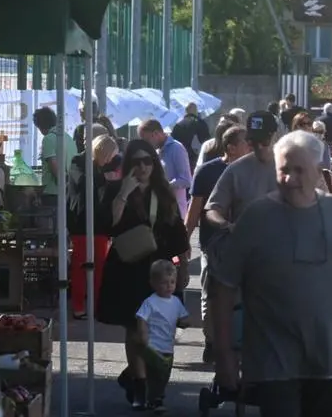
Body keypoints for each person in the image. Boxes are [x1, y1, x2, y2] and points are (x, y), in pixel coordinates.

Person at [211, 131, 332, 417]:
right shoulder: (256, 217)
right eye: (284, 170)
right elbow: (222, 287)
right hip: (275, 359)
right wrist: (224, 356)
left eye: (299, 170)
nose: (290, 178)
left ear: (317, 171)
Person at [97, 139, 189, 410]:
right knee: (136, 328)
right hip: (128, 267)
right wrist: (123, 192)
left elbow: (178, 234)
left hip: (159, 268)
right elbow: (108, 226)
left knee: (160, 331)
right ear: (128, 165)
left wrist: (182, 266)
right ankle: (140, 387)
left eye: (147, 160)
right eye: (136, 161)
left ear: (154, 163)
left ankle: (142, 380)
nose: (142, 166)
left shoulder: (164, 192)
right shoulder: (116, 188)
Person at [185, 126, 250, 364]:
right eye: (246, 143)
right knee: (210, 295)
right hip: (213, 246)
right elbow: (195, 211)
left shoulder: (256, 171)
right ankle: (212, 339)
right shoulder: (207, 171)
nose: (251, 146)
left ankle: (237, 344)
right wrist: (184, 241)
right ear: (231, 148)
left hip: (246, 249)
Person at [67, 127, 114, 320]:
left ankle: (97, 305)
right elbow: (81, 182)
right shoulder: (78, 161)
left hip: (101, 222)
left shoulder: (107, 163)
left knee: (100, 266)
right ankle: (79, 306)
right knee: (80, 265)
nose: (86, 141)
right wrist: (104, 177)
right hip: (81, 221)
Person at [204, 110, 279, 230]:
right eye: (253, 142)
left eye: (264, 141)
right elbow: (213, 209)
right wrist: (226, 225)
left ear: (275, 135)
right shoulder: (236, 170)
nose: (259, 146)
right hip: (248, 244)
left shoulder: (294, 166)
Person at [135, 259, 190, 413]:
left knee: (165, 374)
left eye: (172, 282)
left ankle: (154, 395)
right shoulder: (150, 302)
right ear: (153, 283)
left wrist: (185, 321)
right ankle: (156, 399)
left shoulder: (176, 302)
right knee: (155, 375)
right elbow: (141, 318)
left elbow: (182, 317)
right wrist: (143, 334)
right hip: (153, 345)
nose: (169, 286)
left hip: (168, 346)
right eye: (164, 283)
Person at [137, 119, 192, 221]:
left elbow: (186, 180)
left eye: (147, 140)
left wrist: (163, 186)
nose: (146, 145)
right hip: (159, 211)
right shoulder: (156, 151)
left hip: (175, 212)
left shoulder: (177, 148)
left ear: (156, 134)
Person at [33, 106, 76, 208]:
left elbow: (55, 169)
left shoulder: (48, 139)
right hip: (69, 192)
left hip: (53, 194)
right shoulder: (68, 138)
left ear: (40, 126)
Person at [172, 102, 211, 173]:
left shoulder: (177, 125)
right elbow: (207, 144)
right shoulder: (200, 123)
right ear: (195, 111)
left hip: (180, 160)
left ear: (186, 111)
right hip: (196, 161)